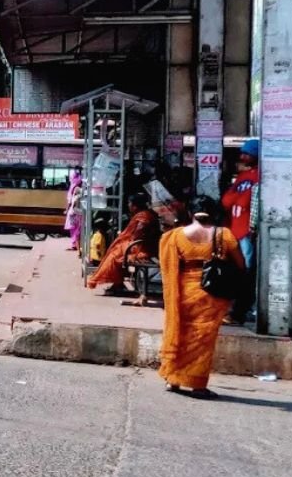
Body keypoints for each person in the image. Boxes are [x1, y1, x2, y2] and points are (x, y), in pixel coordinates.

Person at [158, 196, 245, 398]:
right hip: (212, 294)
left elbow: (168, 267)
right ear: (214, 213)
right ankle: (197, 385)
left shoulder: (174, 236)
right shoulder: (225, 235)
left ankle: (173, 380)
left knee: (179, 332)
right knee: (203, 339)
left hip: (183, 291)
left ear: (190, 213)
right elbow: (240, 264)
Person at [86, 192, 160, 291]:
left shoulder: (144, 217)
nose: (128, 205)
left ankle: (116, 283)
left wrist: (125, 239)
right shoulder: (142, 214)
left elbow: (138, 235)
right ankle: (117, 283)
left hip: (143, 249)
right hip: (139, 245)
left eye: (130, 203)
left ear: (135, 206)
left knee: (116, 256)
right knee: (116, 251)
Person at [221, 139, 260, 323]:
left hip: (247, 230)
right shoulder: (242, 177)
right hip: (234, 229)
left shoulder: (261, 176)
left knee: (246, 270)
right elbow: (227, 200)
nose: (243, 157)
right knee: (236, 269)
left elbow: (246, 201)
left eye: (247, 153)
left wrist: (238, 198)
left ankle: (243, 308)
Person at [64, 169, 85, 251]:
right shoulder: (81, 185)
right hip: (78, 211)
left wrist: (66, 210)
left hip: (73, 211)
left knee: (73, 229)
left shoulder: (74, 187)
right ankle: (76, 245)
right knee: (77, 228)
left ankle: (75, 245)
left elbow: (71, 201)